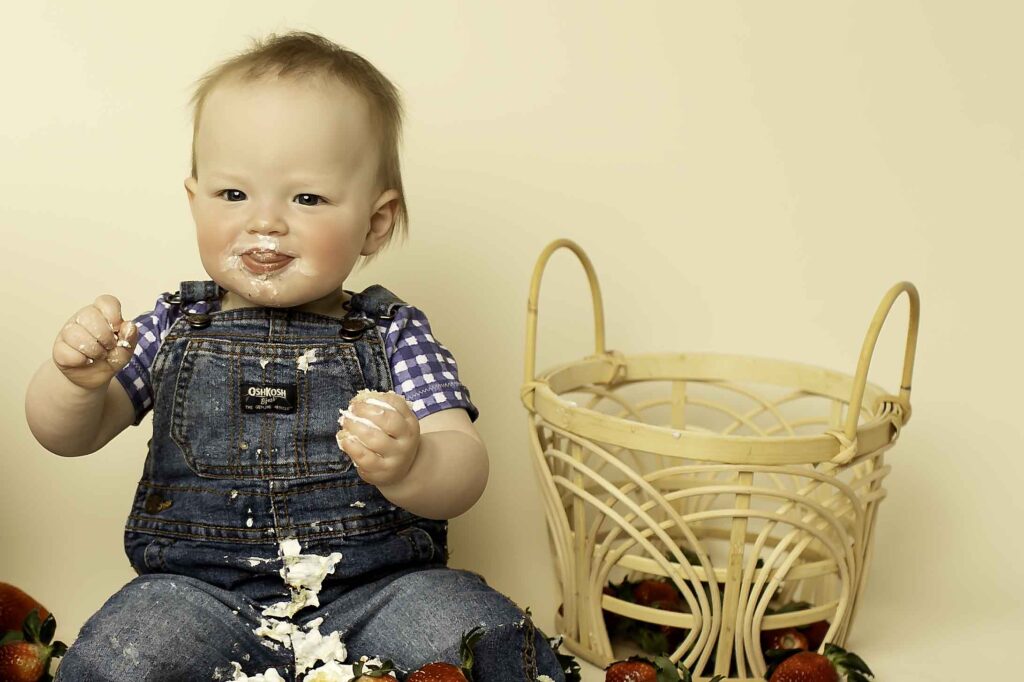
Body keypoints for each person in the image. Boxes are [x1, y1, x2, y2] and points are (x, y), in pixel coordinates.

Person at [25, 30, 567, 682]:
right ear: (193, 200)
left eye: (306, 198)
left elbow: (466, 470)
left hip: (376, 595)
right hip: (199, 597)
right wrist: (75, 384)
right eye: (233, 195)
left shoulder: (392, 332)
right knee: (122, 652)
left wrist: (416, 461)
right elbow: (67, 435)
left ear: (376, 222)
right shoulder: (172, 326)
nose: (266, 222)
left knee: (479, 631)